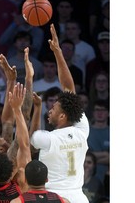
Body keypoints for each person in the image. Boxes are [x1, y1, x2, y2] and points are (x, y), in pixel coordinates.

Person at [30, 24, 90, 203]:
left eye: (54, 108)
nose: (50, 110)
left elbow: (31, 141)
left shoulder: (47, 139)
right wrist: (57, 51)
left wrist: (37, 109)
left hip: (54, 197)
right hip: (79, 197)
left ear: (63, 116)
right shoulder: (82, 129)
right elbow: (69, 89)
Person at [63, 20, 96, 89]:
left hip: (81, 83)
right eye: (68, 29)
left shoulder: (88, 48)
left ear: (79, 31)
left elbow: (92, 70)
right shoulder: (58, 46)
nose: (70, 31)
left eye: (73, 28)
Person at [87, 99, 110, 183]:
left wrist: (91, 159)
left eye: (103, 110)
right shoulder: (86, 132)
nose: (100, 113)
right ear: (93, 112)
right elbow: (82, 156)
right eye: (97, 110)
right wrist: (105, 154)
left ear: (108, 113)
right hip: (88, 179)